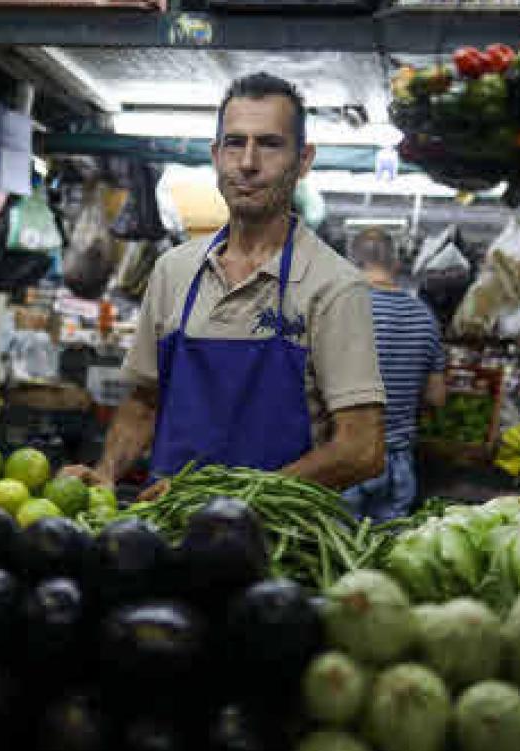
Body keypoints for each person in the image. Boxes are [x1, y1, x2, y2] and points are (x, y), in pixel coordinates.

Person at [64, 73, 387, 500]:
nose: (248, 163)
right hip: (165, 533)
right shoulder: (173, 271)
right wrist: (106, 472)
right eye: (235, 143)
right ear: (216, 155)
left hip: (276, 542)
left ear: (304, 159)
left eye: (270, 144)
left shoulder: (333, 285)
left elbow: (362, 449)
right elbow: (143, 404)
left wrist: (228, 501)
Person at [342, 228, 447, 521]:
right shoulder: (424, 316)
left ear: (350, 263)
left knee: (334, 555)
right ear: (396, 264)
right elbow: (436, 397)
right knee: (386, 554)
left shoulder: (338, 310)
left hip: (342, 457)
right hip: (397, 463)